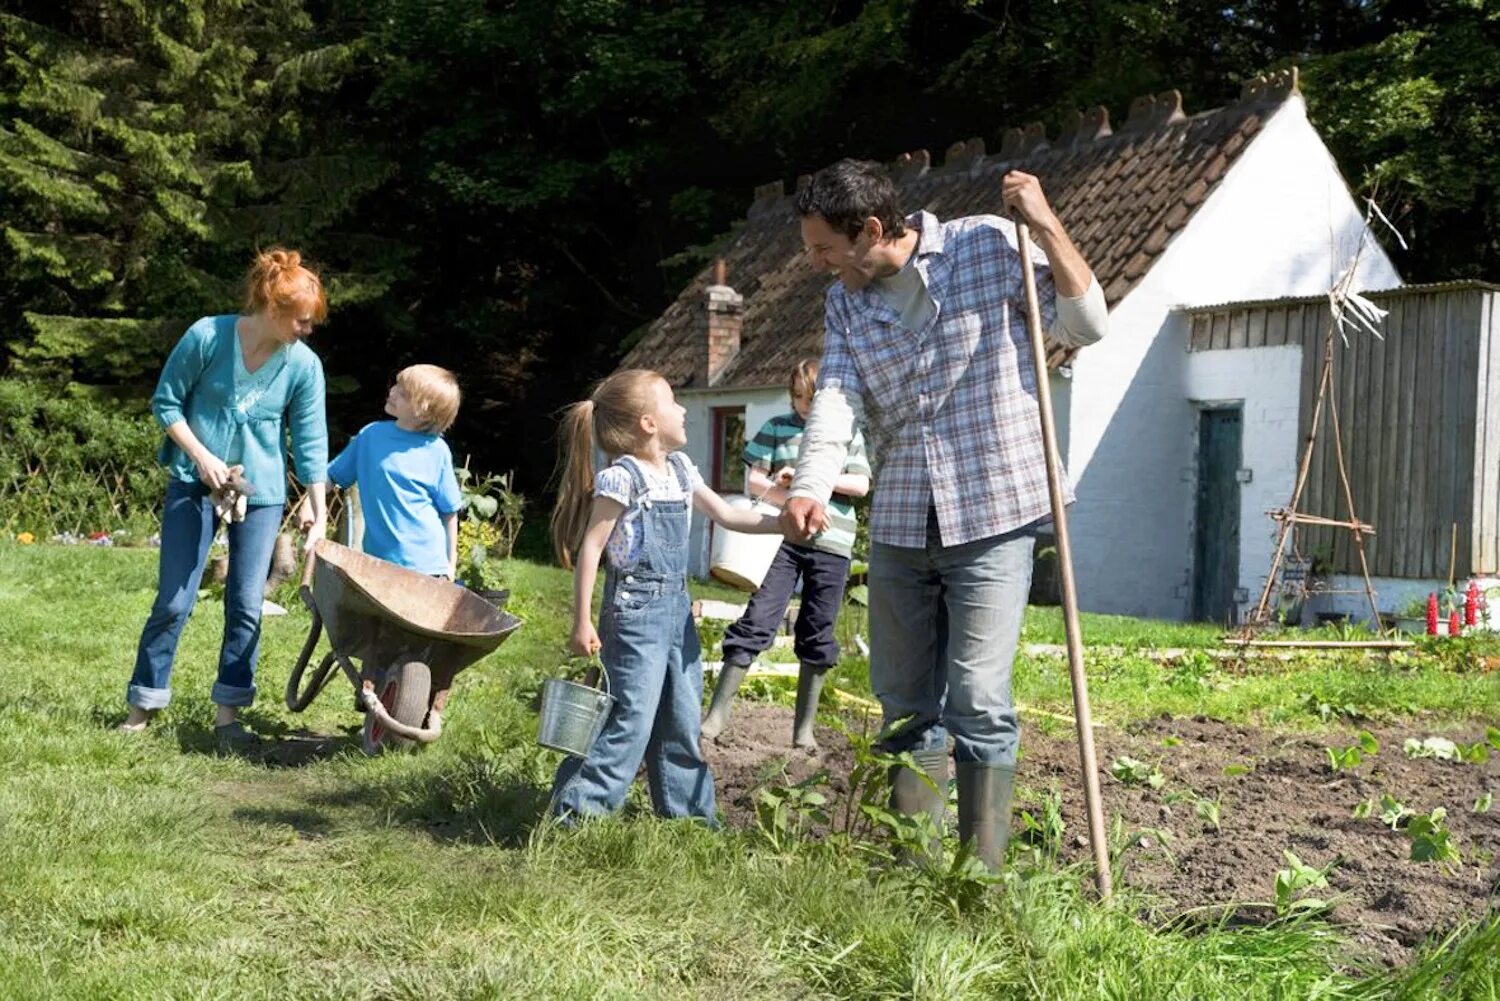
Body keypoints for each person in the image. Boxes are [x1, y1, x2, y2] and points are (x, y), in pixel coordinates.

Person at [780, 160, 1108, 869]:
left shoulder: (987, 245)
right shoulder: (846, 301)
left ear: (871, 230)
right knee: (903, 702)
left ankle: (978, 881)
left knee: (981, 699)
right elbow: (836, 396)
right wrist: (812, 484)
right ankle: (915, 870)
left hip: (995, 510)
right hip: (901, 516)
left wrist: (1046, 222)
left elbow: (1087, 324)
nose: (815, 264)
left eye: (824, 249)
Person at [548, 368, 783, 823]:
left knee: (681, 714)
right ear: (648, 423)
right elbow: (591, 549)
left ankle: (690, 819)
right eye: (673, 402)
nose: (681, 410)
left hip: (677, 609)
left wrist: (784, 521)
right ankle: (576, 815)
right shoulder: (625, 477)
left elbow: (729, 516)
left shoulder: (679, 469)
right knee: (628, 719)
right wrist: (581, 621)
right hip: (635, 612)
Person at [122, 248, 330, 747]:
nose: (307, 330)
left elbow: (310, 439)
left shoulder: (304, 366)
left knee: (245, 603)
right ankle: (142, 705)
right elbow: (166, 402)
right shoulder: (207, 336)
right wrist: (201, 456)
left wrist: (318, 507)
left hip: (260, 495)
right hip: (195, 483)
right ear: (272, 308)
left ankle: (228, 716)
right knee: (174, 599)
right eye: (301, 320)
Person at [701, 358, 870, 751]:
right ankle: (716, 716)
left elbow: (860, 484)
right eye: (797, 397)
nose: (803, 405)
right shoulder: (777, 427)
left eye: (810, 398)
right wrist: (794, 494)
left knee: (817, 632)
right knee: (757, 619)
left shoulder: (844, 432)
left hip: (834, 546)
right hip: (785, 542)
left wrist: (811, 483)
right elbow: (755, 480)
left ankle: (803, 732)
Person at [327, 364, 463, 578]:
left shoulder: (437, 450)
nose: (392, 392)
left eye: (403, 393)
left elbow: (449, 512)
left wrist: (450, 563)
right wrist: (309, 505)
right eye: (396, 385)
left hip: (427, 567)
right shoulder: (371, 436)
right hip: (379, 564)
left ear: (423, 409)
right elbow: (332, 476)